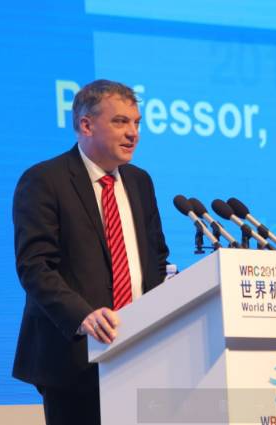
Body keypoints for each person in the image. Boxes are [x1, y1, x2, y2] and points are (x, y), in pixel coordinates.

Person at [12, 79, 170, 425]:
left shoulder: (140, 182)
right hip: (74, 359)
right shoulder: (45, 180)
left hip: (141, 352)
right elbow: (35, 266)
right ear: (86, 125)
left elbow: (156, 259)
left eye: (136, 122)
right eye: (120, 121)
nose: (133, 133)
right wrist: (82, 316)